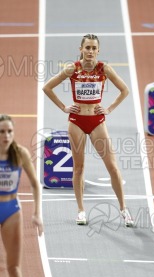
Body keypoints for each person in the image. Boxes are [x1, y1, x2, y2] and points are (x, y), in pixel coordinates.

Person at [43, 33, 134, 226]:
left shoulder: (104, 69)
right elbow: (47, 87)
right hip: (76, 121)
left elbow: (125, 90)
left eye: (94, 48)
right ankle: (81, 210)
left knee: (113, 167)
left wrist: (109, 108)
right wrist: (63, 107)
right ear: (81, 49)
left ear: (98, 50)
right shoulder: (72, 69)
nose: (90, 51)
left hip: (97, 121)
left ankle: (124, 209)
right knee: (79, 168)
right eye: (87, 48)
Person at [0, 114, 43, 277]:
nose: (6, 135)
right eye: (2, 131)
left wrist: (37, 214)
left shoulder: (20, 153)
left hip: (11, 212)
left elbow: (35, 184)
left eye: (9, 131)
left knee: (14, 269)